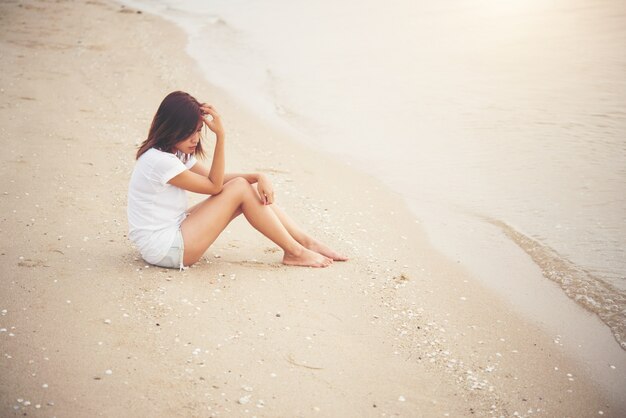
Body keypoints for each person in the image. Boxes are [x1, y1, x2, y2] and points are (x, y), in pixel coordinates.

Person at [127, 91, 347, 270]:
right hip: (166, 249)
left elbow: (218, 181)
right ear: (171, 127)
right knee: (241, 187)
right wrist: (221, 136)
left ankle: (305, 242)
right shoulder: (161, 162)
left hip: (170, 234)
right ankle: (295, 251)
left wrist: (258, 177)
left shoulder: (173, 154)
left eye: (198, 131)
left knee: (245, 186)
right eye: (188, 132)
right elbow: (215, 186)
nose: (195, 139)